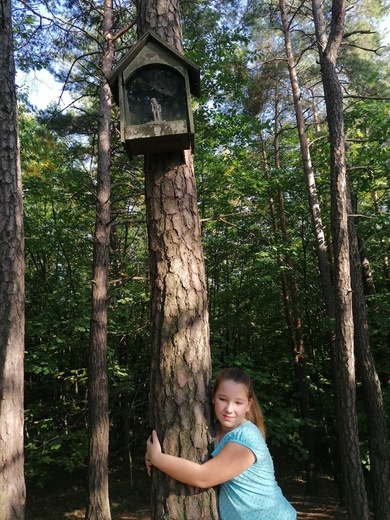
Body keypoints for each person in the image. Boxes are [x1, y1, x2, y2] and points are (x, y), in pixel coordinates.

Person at [146, 366, 297, 519]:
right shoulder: (212, 427)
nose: (229, 409)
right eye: (223, 399)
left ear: (248, 405)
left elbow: (203, 477)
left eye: (238, 403)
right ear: (212, 397)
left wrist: (158, 458)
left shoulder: (246, 437)